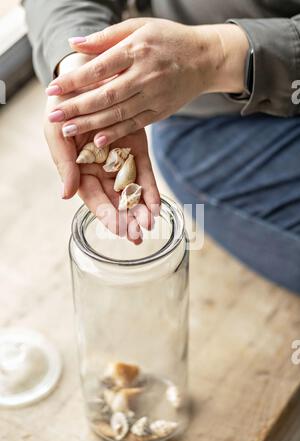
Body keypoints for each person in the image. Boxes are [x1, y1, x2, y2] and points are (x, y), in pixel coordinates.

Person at [23, 0, 300, 293]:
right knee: (182, 156)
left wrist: (217, 54)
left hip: (231, 78)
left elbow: (209, 56)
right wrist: (78, 67)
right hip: (210, 110)